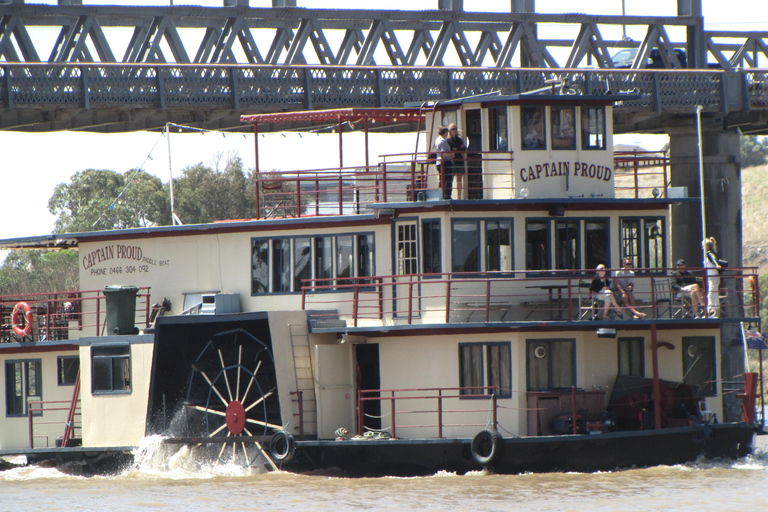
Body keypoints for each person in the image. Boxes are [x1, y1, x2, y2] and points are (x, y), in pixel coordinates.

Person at [703, 237, 722, 318]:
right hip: (710, 277)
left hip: (713, 276)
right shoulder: (708, 254)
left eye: (703, 246)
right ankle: (716, 313)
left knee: (711, 294)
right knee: (714, 294)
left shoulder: (709, 253)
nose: (702, 247)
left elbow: (713, 259)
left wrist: (716, 265)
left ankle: (709, 312)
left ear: (707, 246)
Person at [446, 123, 466, 199]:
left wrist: (457, 149)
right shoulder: (448, 140)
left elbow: (463, 149)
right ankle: (449, 195)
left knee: (459, 179)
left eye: (455, 128)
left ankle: (459, 197)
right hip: (452, 161)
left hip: (459, 160)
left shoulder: (459, 139)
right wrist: (456, 150)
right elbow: (450, 150)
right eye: (453, 129)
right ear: (449, 131)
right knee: (450, 179)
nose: (455, 130)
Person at [432, 126, 452, 199]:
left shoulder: (437, 140)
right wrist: (452, 154)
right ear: (445, 133)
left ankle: (440, 195)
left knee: (442, 179)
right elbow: (444, 153)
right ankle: (447, 196)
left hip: (439, 162)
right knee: (447, 180)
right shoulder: (443, 141)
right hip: (445, 162)